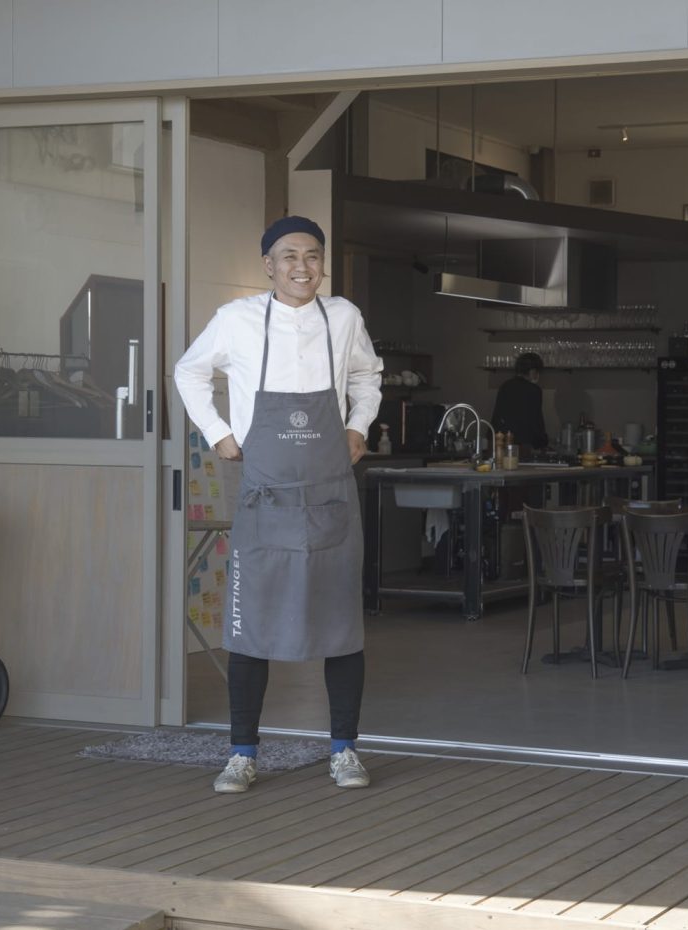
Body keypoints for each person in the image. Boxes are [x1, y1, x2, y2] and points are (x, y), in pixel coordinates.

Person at [174, 216, 383, 794]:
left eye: (312, 256)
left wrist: (359, 425)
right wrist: (218, 432)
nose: (301, 266)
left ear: (322, 264)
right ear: (267, 264)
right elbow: (188, 371)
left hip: (331, 496)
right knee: (250, 631)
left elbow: (368, 375)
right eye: (289, 256)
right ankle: (242, 753)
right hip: (265, 498)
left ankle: (344, 750)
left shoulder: (343, 318)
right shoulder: (236, 319)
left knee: (342, 628)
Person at [490, 352, 549, 450]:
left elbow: (498, 417)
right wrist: (543, 442)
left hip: (501, 442)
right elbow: (536, 421)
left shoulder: (505, 386)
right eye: (537, 372)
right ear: (532, 371)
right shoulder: (534, 390)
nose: (538, 376)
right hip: (525, 445)